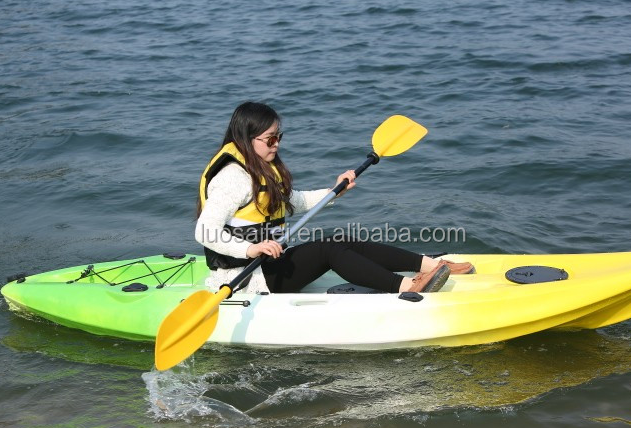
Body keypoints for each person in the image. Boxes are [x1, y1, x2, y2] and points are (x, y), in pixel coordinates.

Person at [195, 102, 472, 295]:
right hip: (248, 276)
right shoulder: (232, 177)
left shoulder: (259, 168)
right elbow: (205, 232)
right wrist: (250, 250)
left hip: (272, 265)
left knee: (342, 241)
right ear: (247, 139)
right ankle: (408, 287)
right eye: (270, 139)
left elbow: (294, 201)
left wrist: (334, 190)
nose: (277, 143)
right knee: (329, 251)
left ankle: (432, 266)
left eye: (279, 136)